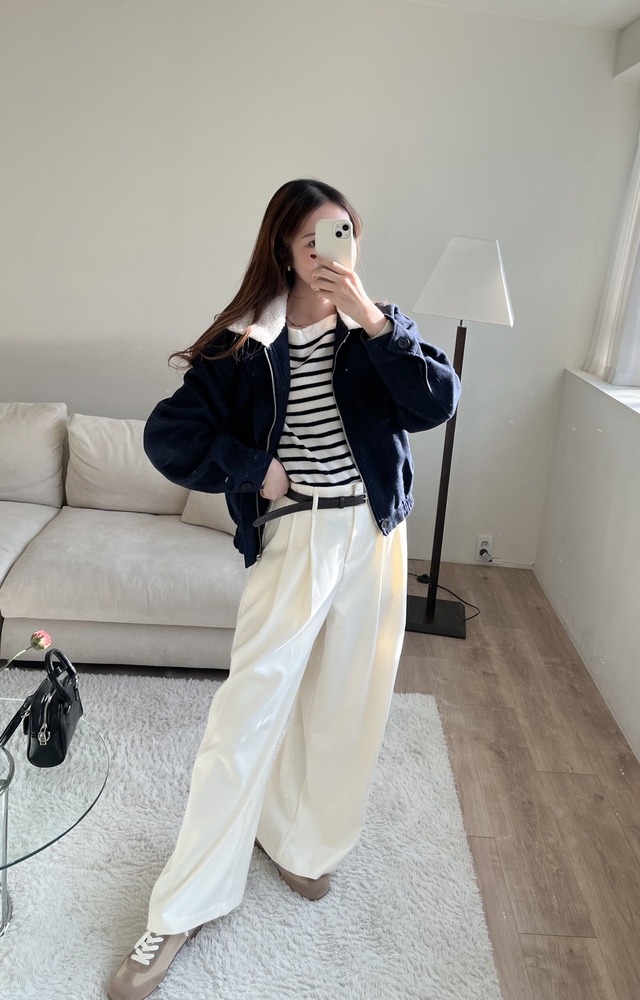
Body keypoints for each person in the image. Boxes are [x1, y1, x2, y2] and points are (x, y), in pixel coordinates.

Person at [107, 178, 460, 1000]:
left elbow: (437, 403)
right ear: (284, 251)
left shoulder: (379, 329)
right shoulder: (247, 341)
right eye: (312, 239)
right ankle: (182, 906)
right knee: (244, 720)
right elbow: (168, 434)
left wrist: (374, 320)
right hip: (297, 536)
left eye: (342, 234)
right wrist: (251, 469)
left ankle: (302, 843)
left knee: (347, 708)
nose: (330, 251)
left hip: (374, 536)